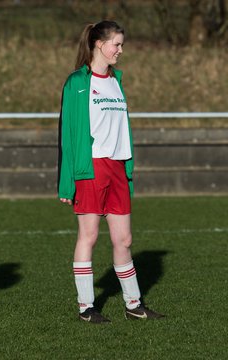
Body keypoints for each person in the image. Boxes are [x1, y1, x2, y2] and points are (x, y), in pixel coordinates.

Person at [58, 20, 165, 323]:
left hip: (117, 168)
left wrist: (128, 169)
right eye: (116, 44)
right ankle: (86, 307)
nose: (120, 50)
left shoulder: (117, 80)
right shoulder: (76, 83)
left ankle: (134, 304)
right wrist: (67, 183)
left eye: (121, 44)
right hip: (90, 168)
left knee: (125, 240)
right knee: (88, 236)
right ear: (98, 45)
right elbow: (67, 135)